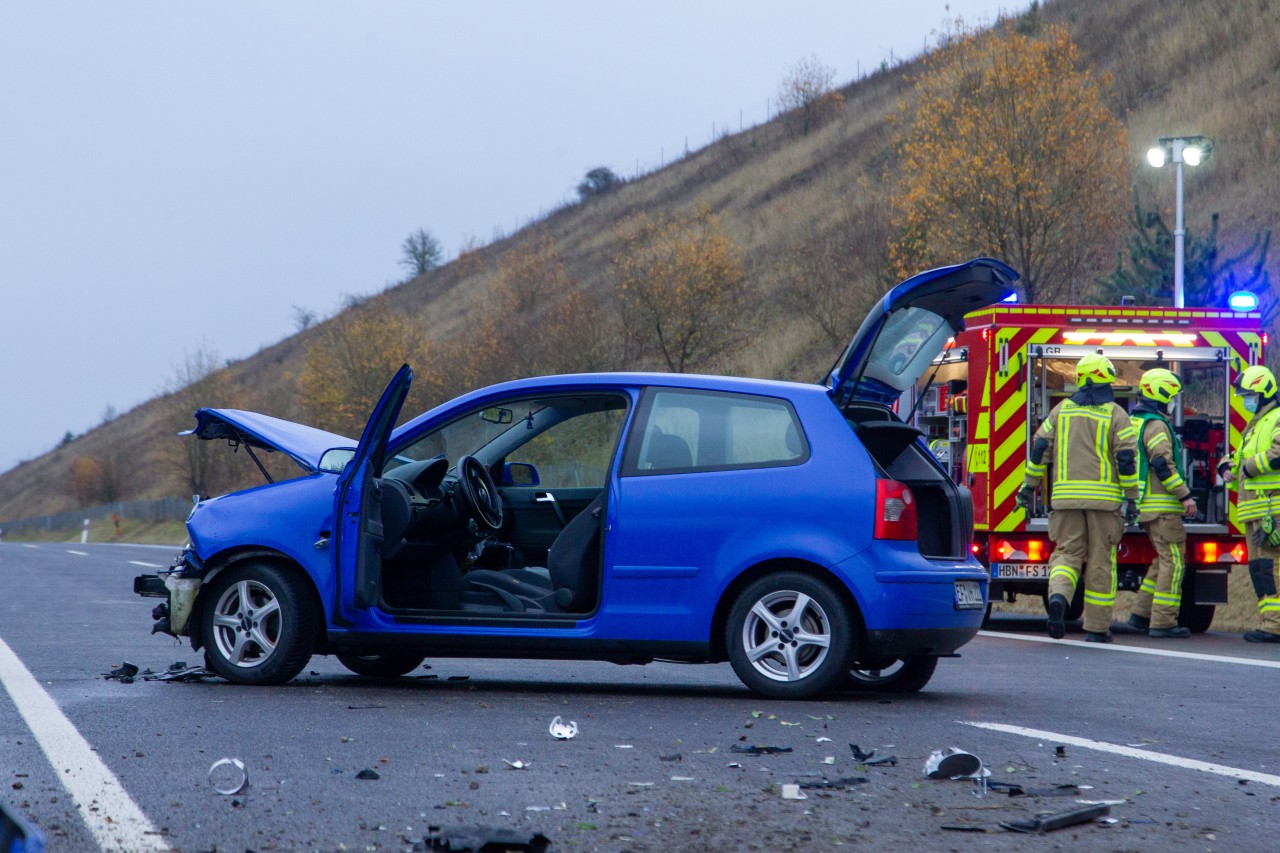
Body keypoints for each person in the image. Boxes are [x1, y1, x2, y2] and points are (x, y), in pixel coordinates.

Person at [1016, 353, 1140, 642]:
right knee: (1100, 562)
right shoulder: (1116, 415)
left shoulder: (1061, 411)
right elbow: (1126, 460)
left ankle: (1058, 599)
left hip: (1065, 501)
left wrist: (1027, 487)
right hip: (1104, 504)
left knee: (1066, 555)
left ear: (1081, 379)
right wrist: (1132, 498)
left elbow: (1038, 451)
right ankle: (1096, 630)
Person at [1127, 368, 1198, 638]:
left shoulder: (1138, 421)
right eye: (1171, 396)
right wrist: (1184, 495)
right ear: (1161, 396)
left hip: (1148, 506)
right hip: (1163, 507)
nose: (1173, 402)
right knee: (1175, 563)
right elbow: (1161, 463)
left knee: (1162, 560)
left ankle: (1140, 614)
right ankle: (1163, 622)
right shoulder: (1156, 425)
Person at [1219, 364, 1280, 643]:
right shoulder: (1256, 425)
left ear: (1264, 392)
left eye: (1249, 395)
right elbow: (1240, 456)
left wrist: (1249, 467)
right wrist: (1226, 467)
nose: (1246, 400)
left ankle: (1275, 625)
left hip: (1272, 509)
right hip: (1255, 509)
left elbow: (1276, 454)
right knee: (1258, 569)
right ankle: (1270, 622)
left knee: (1271, 567)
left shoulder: (1277, 417)